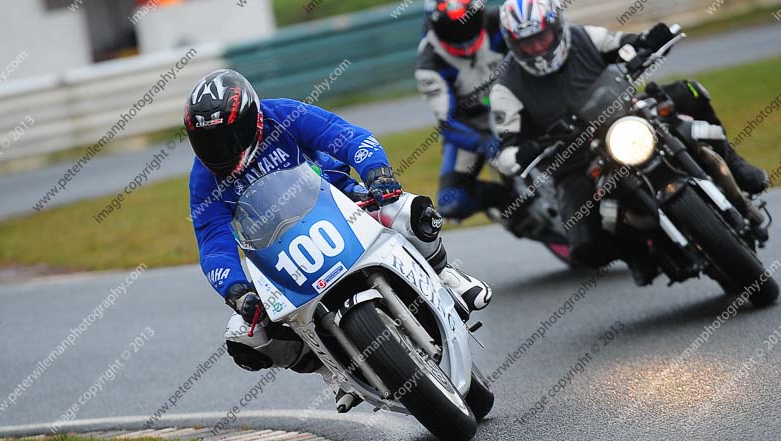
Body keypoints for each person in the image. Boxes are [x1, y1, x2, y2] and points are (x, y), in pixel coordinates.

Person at [185, 69, 492, 394]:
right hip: (277, 255)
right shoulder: (204, 178)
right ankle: (331, 368)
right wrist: (236, 290)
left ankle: (443, 273)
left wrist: (377, 172)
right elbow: (212, 241)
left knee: (406, 210)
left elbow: (346, 136)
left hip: (342, 204)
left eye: (226, 136)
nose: (219, 148)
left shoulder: (283, 115)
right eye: (206, 140)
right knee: (244, 336)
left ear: (252, 119)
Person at [490, 0, 769, 282]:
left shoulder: (584, 37)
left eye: (542, 38)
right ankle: (637, 253)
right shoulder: (506, 87)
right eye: (528, 43)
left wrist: (648, 41)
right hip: (574, 159)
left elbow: (626, 44)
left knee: (688, 93)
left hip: (626, 118)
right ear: (513, 43)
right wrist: (522, 153)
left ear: (556, 28)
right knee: (585, 246)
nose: (537, 48)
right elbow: (503, 151)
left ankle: (735, 164)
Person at [416, 0, 530, 229]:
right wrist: (485, 143)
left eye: (467, 24)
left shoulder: (501, 22)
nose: (463, 37)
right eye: (452, 30)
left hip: (522, 104)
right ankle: (507, 199)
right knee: (451, 202)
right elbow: (447, 123)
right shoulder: (429, 64)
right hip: (472, 127)